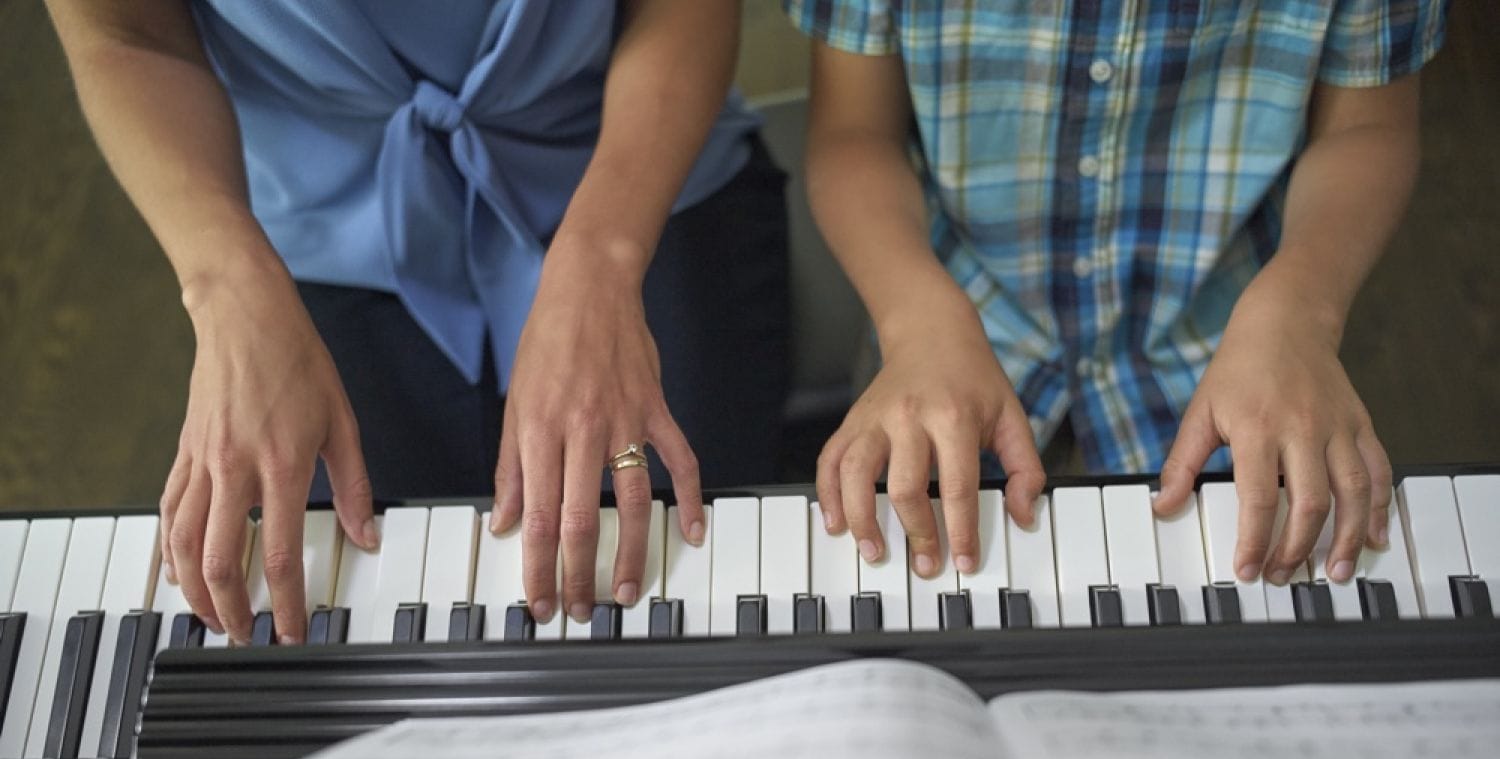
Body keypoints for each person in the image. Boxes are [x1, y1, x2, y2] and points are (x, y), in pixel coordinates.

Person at [47, 0, 788, 644]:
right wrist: (226, 287)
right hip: (307, 234)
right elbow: (126, 31)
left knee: (684, 580)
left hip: (632, 165)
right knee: (317, 620)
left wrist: (603, 262)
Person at [787, 0, 1444, 589]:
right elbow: (854, 131)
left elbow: (1366, 125)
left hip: (1236, 348)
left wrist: (1301, 315)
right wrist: (915, 321)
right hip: (938, 330)